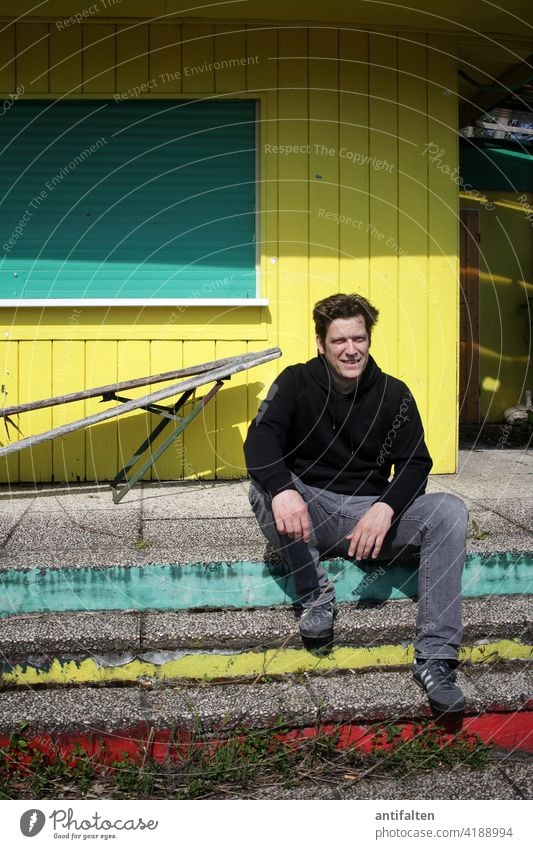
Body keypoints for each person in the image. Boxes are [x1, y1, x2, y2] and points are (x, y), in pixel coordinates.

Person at [244, 292, 468, 713]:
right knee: (263, 486)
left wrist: (385, 508)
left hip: (373, 521)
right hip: (314, 512)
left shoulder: (394, 394)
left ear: (368, 339)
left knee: (449, 511)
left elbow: (416, 463)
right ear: (320, 343)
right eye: (339, 341)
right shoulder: (293, 382)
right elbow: (259, 440)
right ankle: (315, 597)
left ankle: (435, 658)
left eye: (359, 338)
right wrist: (284, 489)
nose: (351, 350)